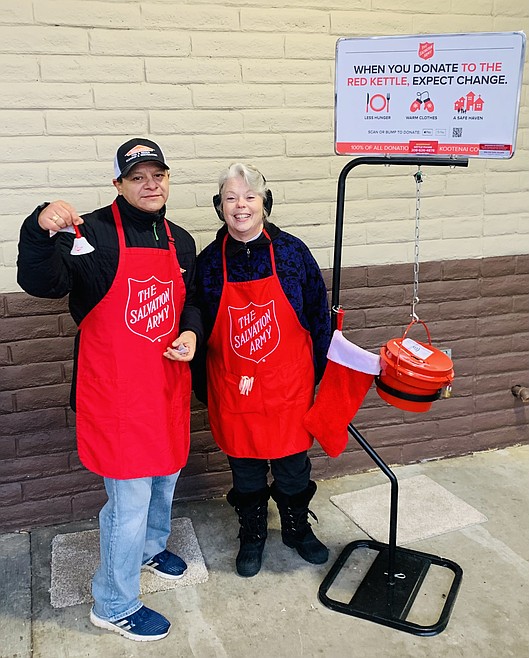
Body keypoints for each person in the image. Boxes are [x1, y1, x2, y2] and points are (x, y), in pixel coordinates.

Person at [17, 138, 202, 642]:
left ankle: (151, 549)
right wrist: (38, 228)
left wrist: (190, 332)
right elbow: (44, 282)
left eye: (158, 175)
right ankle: (114, 603)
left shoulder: (181, 240)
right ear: (118, 184)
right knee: (129, 503)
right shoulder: (91, 233)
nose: (150, 184)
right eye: (137, 177)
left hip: (166, 387)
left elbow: (190, 302)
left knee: (165, 478)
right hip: (116, 396)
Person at [193, 163, 331, 578]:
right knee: (246, 469)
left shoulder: (292, 253)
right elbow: (196, 320)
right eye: (231, 198)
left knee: (293, 468)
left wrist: (318, 373)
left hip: (288, 386)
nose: (241, 206)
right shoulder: (208, 263)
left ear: (264, 203)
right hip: (235, 389)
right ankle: (252, 533)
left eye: (250, 197)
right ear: (219, 207)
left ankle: (296, 528)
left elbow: (318, 315)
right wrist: (205, 388)